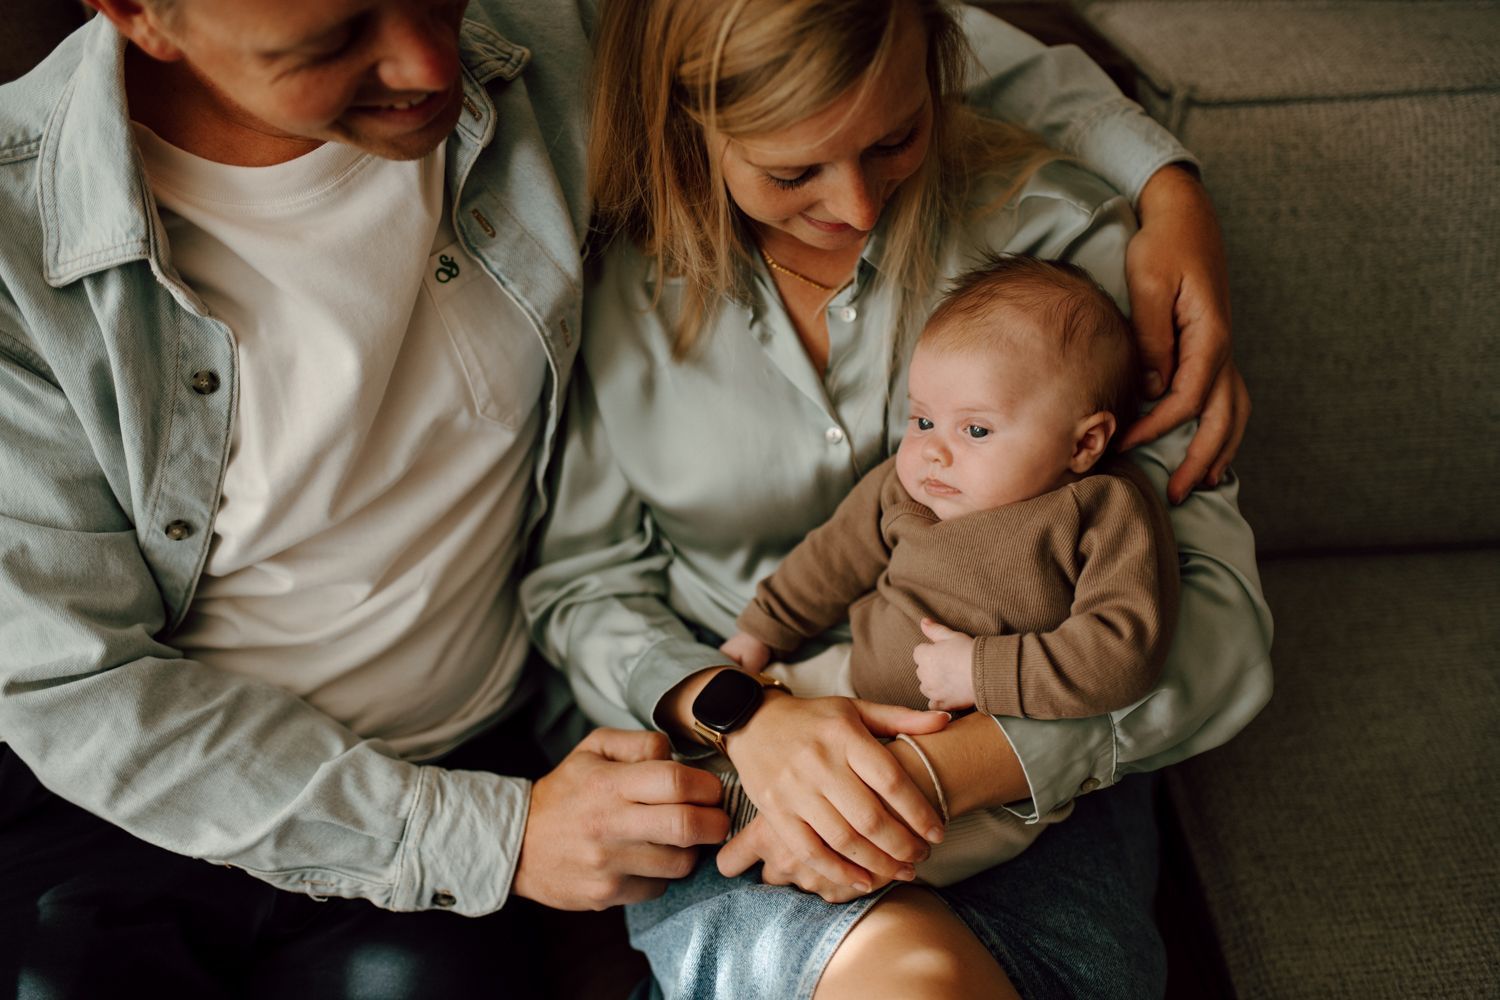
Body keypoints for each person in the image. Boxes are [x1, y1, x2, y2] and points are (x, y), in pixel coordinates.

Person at [0, 0, 1254, 995]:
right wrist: (729, 717)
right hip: (192, 801)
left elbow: (863, 37)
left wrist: (1164, 179)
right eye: (333, 39)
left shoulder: (531, 47)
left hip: (982, 772)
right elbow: (72, 683)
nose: (434, 61)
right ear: (134, 12)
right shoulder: (627, 256)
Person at [522, 1, 1272, 998]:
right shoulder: (615, 283)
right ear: (685, 124)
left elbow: (1211, 617)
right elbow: (584, 581)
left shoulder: (1059, 243)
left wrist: (942, 772)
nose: (863, 205)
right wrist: (745, 715)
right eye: (793, 171)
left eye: (895, 137)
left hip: (1034, 774)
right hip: (746, 768)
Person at [711, 253, 1181, 888]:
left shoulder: (1101, 509)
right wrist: (760, 629)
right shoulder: (906, 490)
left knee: (878, 843)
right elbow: (831, 560)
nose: (933, 448)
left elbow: (1123, 650)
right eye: (923, 419)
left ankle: (788, 857)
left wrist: (981, 671)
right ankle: (710, 803)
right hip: (849, 680)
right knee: (737, 728)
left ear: (1082, 444)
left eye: (977, 429)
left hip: (972, 753)